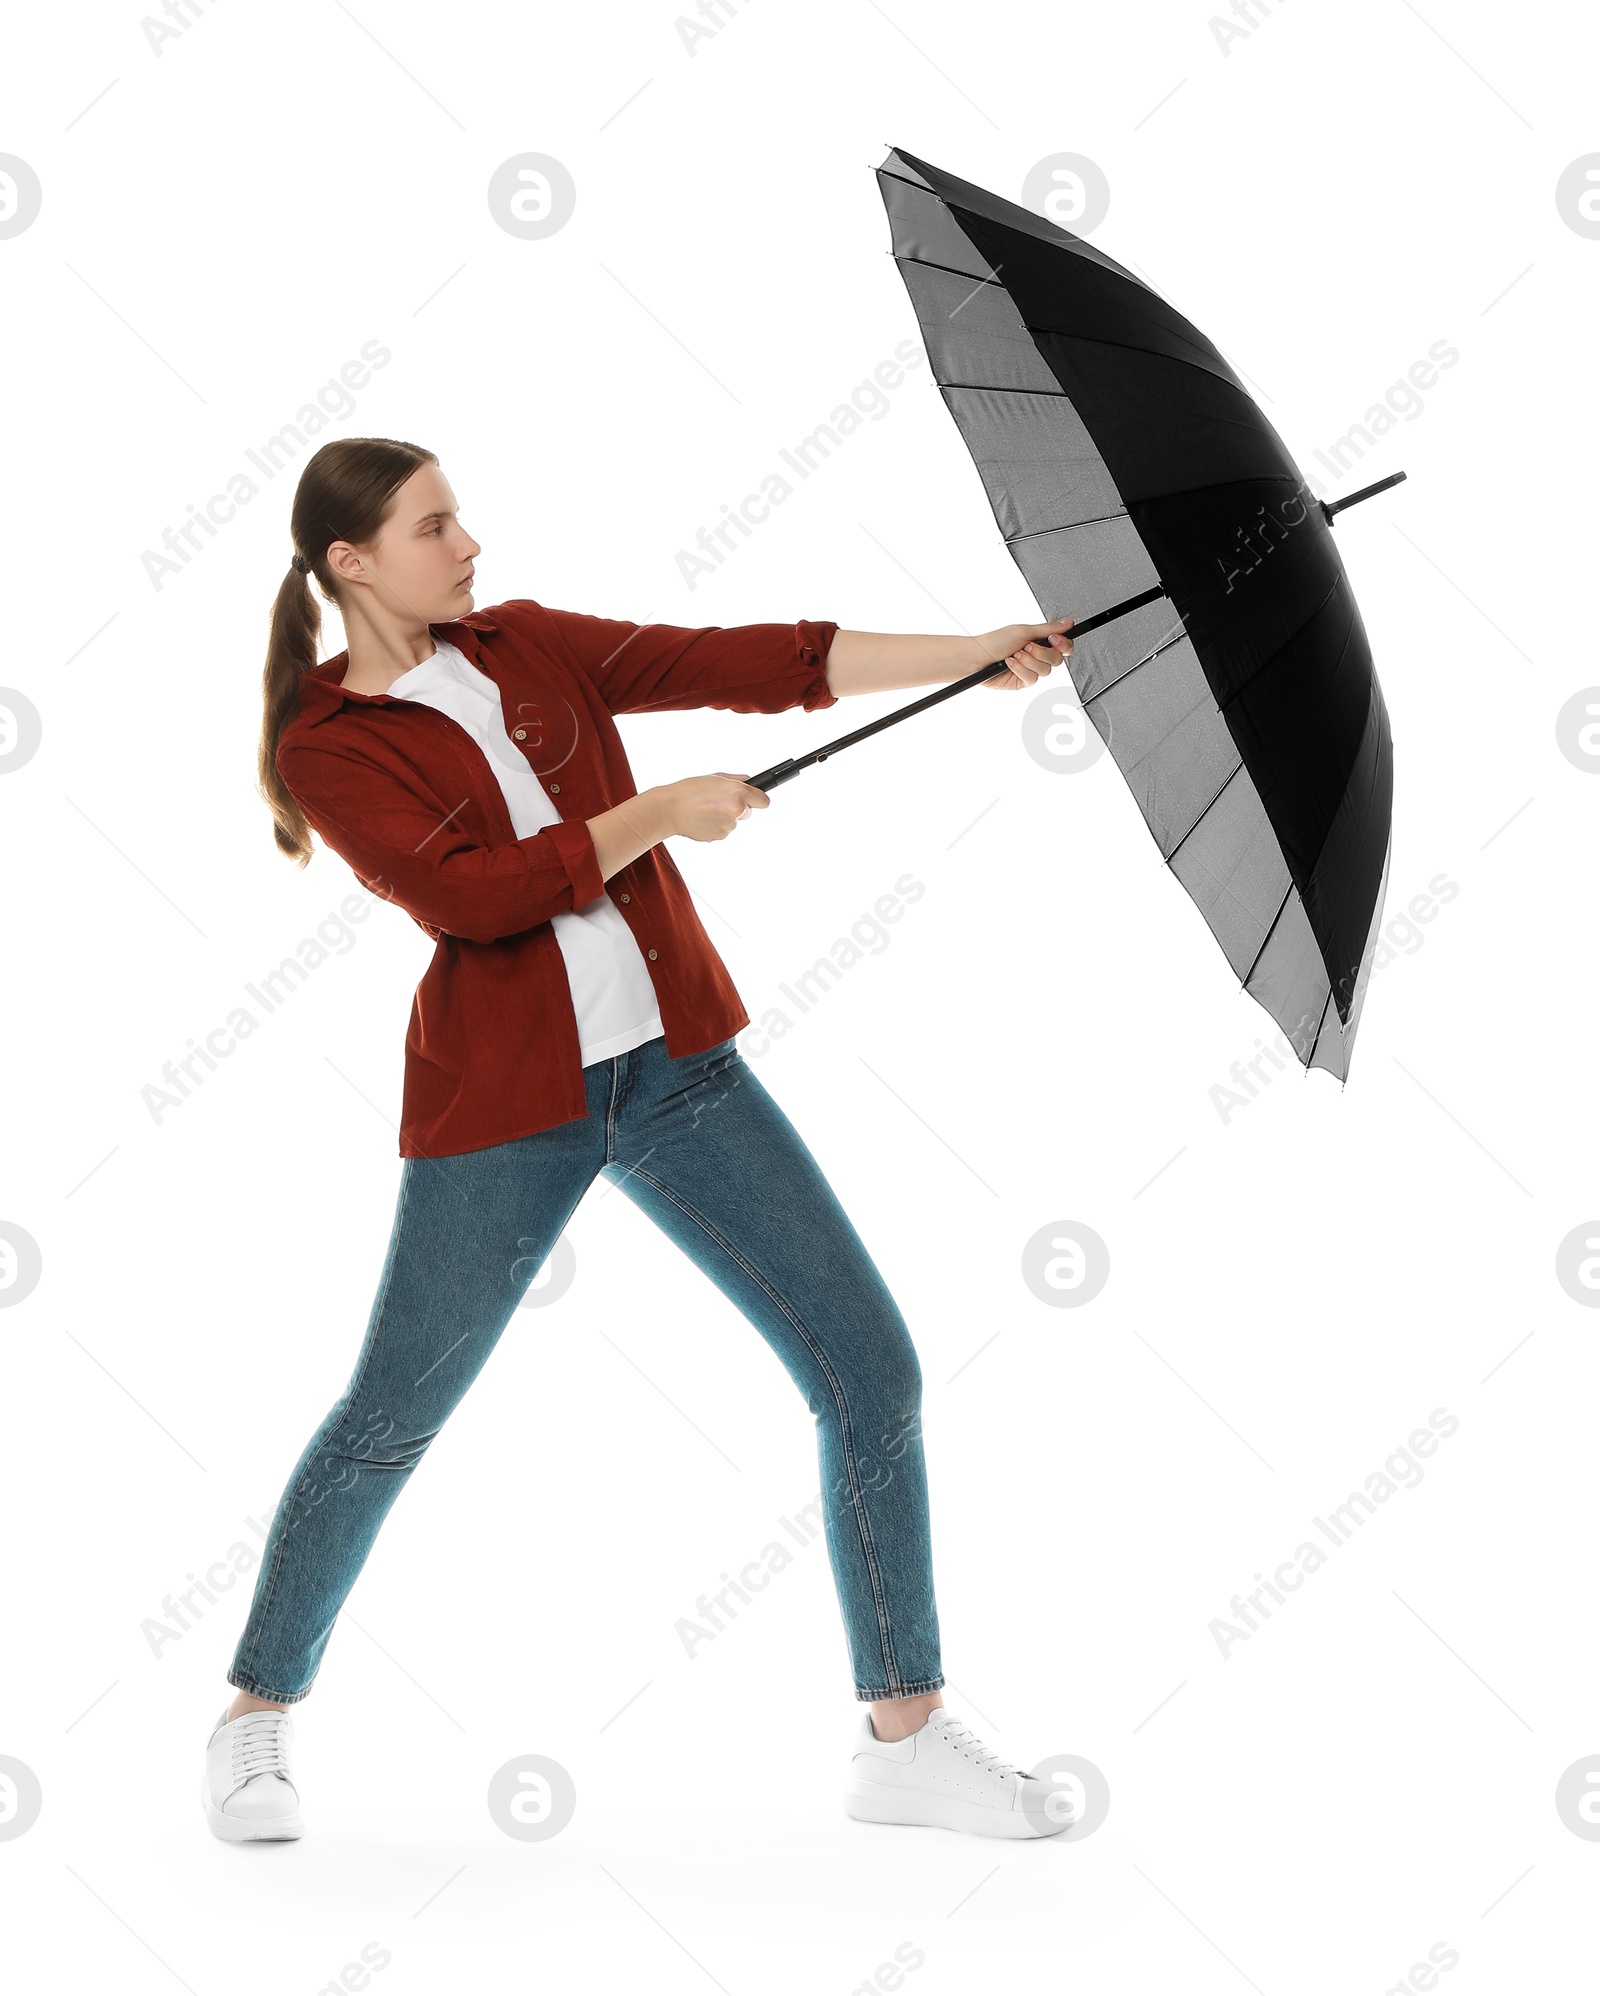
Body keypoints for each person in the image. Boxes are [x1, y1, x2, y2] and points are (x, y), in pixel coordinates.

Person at [201, 435, 1075, 1846]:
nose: (470, 543)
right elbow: (472, 899)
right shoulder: (329, 746)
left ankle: (903, 1733)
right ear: (351, 562)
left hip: (681, 1074)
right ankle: (254, 1721)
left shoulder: (528, 644)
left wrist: (969, 653)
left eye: (463, 518)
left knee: (869, 1366)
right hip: (511, 1109)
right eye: (435, 526)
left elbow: (739, 656)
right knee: (389, 1419)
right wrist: (656, 812)